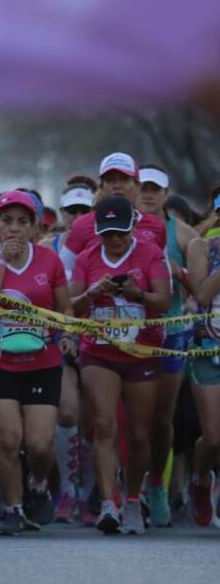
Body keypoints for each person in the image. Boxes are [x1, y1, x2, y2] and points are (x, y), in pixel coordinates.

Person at [0, 191, 74, 536]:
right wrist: (1, 262)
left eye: (22, 222)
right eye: (6, 221)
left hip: (42, 362)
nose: (14, 229)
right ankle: (13, 508)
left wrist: (68, 333)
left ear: (34, 228)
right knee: (9, 439)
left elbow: (63, 309)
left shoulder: (49, 261)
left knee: (41, 443)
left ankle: (39, 483)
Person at [69, 196, 171, 535]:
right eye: (107, 233)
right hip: (99, 352)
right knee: (105, 426)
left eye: (120, 233)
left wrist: (136, 293)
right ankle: (108, 503)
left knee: (140, 434)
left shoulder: (151, 254)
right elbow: (72, 307)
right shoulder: (86, 258)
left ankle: (131, 499)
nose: (114, 240)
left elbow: (165, 300)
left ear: (133, 229)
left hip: (141, 352)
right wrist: (94, 293)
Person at [136, 164, 199, 526]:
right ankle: (123, 492)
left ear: (165, 192)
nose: (147, 194)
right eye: (142, 187)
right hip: (128, 332)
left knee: (161, 419)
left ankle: (156, 485)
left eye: (154, 189)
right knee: (128, 419)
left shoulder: (184, 234)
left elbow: (201, 289)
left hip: (171, 332)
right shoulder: (120, 225)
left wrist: (182, 274)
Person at [60, 152, 167, 274]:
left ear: (137, 186)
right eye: (110, 180)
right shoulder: (82, 225)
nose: (117, 186)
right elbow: (64, 270)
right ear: (102, 187)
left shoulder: (157, 225)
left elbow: (164, 273)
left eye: (124, 180)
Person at [184, 193, 220, 527]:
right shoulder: (200, 246)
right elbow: (202, 294)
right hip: (208, 347)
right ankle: (200, 479)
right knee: (213, 436)